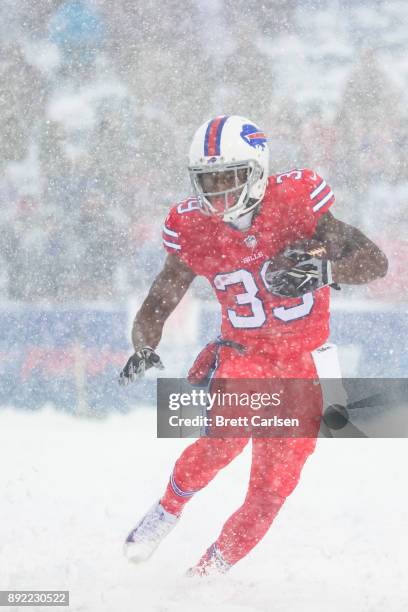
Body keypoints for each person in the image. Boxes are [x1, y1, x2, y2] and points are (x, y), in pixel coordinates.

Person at [119, 115, 388, 576]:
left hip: (307, 363)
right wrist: (144, 342)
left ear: (258, 171)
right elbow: (161, 297)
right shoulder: (193, 227)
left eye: (229, 178)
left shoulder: (298, 202)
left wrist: (324, 269)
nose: (218, 192)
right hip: (247, 353)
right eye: (208, 181)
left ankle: (206, 575)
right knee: (224, 442)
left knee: (272, 489)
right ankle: (167, 509)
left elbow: (374, 261)